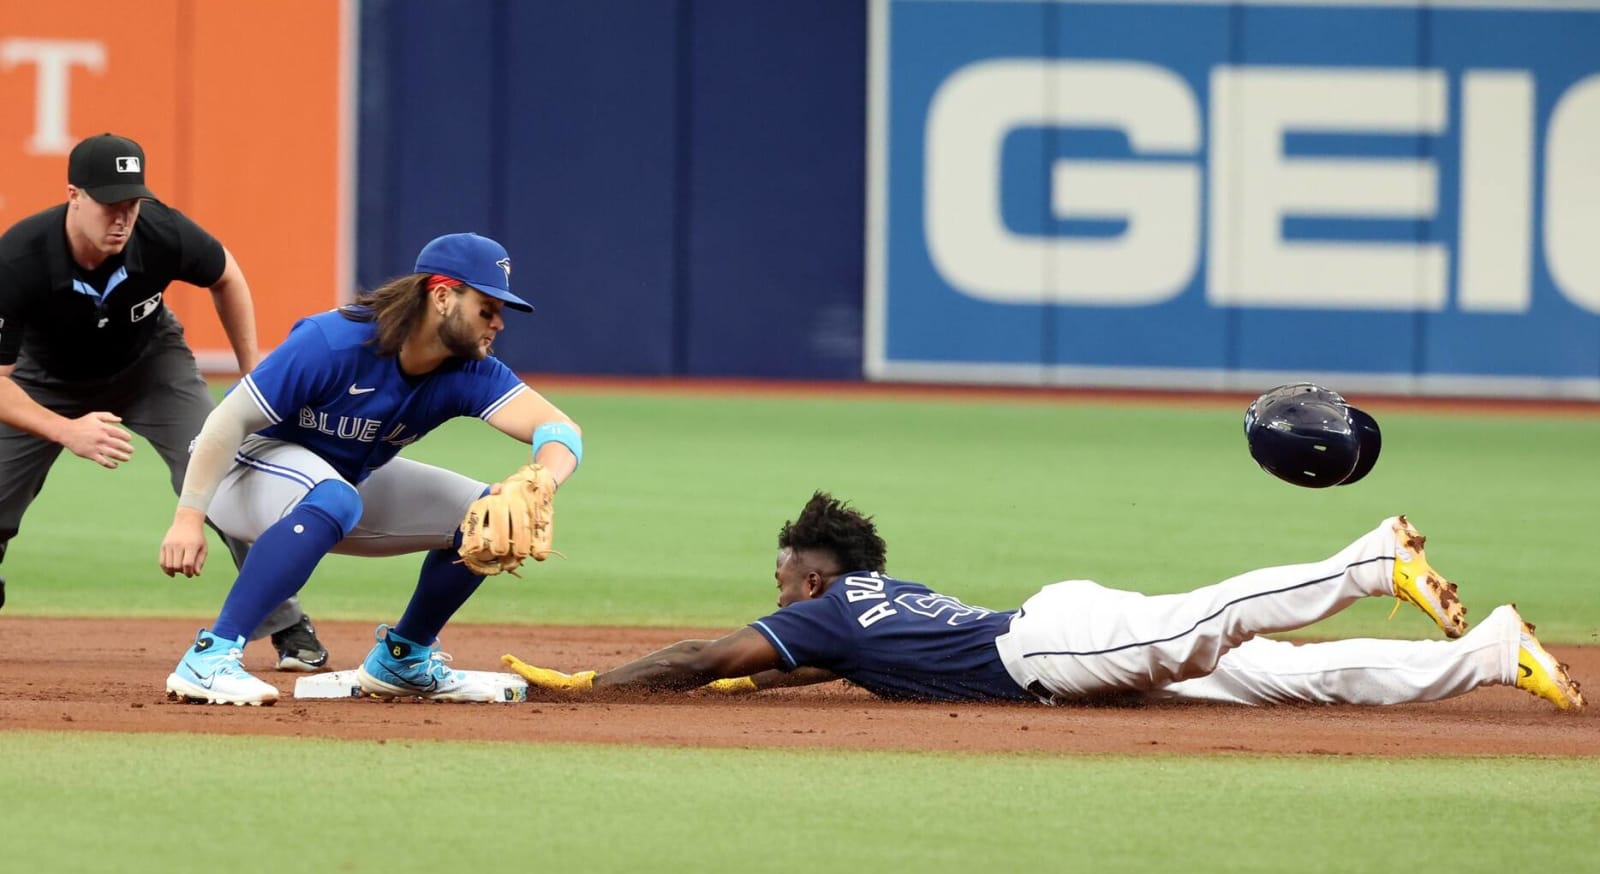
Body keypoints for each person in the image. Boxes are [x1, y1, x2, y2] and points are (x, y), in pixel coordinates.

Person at [504, 492, 1585, 713]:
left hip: (1054, 651)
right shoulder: (879, 601)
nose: (775, 585)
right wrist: (733, 684)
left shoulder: (827, 612)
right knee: (1297, 681)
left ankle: (1366, 560)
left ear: (813, 575)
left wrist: (596, 684)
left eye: (784, 570)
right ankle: (1490, 654)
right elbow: (749, 670)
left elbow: (705, 656)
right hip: (1051, 629)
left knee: (1210, 621)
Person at [159, 231, 583, 706]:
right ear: (442, 295)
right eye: (487, 308)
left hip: (336, 485)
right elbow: (227, 421)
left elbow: (560, 430)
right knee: (336, 497)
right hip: (240, 470)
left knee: (485, 515)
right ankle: (210, 658)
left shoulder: (471, 369)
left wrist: (543, 480)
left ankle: (403, 659)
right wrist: (188, 517)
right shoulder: (335, 341)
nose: (498, 323)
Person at [0, 132, 326, 669]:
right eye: (109, 205)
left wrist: (252, 378)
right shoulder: (20, 258)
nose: (122, 219)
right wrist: (66, 429)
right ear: (73, 195)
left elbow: (228, 275)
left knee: (224, 477)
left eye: (131, 204)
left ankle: (286, 621)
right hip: (46, 380)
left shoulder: (160, 231)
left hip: (152, 365)